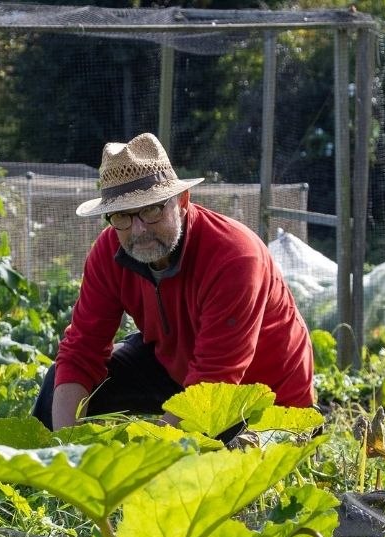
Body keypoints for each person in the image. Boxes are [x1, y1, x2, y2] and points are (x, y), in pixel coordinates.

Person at [32, 132, 315, 437]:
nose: (139, 229)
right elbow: (82, 351)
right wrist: (65, 449)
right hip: (180, 372)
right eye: (122, 216)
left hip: (264, 402)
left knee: (213, 461)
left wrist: (139, 466)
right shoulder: (109, 251)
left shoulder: (234, 257)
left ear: (181, 201)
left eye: (151, 209)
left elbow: (213, 384)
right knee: (60, 383)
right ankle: (40, 473)